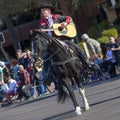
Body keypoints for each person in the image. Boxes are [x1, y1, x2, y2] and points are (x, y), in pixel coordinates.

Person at [34, 2, 93, 74]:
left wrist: (65, 23)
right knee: (46, 57)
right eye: (41, 11)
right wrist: (41, 32)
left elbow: (68, 18)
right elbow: (43, 34)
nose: (42, 12)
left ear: (49, 11)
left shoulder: (56, 17)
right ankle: (47, 74)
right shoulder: (42, 23)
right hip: (52, 43)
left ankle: (87, 64)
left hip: (63, 39)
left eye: (44, 10)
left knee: (78, 49)